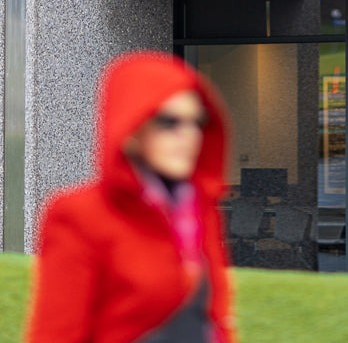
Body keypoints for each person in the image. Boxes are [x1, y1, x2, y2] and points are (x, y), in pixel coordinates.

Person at [25, 50, 237, 343]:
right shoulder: (79, 213)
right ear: (132, 128)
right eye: (169, 122)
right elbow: (57, 334)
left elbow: (214, 320)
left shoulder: (200, 207)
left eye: (196, 122)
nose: (188, 135)